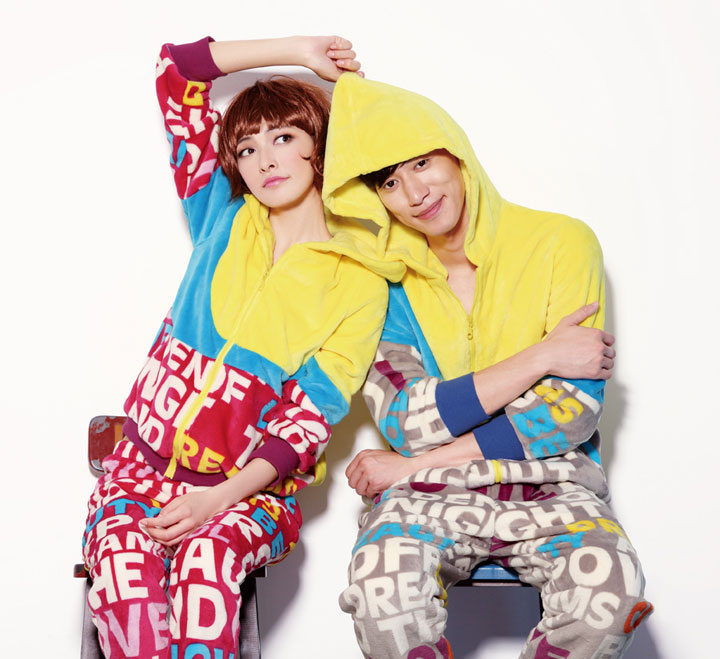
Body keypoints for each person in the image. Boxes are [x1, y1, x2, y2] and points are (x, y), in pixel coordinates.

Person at [81, 36, 393, 659]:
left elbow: (308, 420)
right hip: (137, 473)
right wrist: (299, 50)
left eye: (284, 137)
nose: (265, 160)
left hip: (248, 496)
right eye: (247, 147)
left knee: (204, 566)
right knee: (122, 582)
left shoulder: (359, 282)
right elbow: (176, 73)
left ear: (319, 147)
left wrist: (215, 501)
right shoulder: (219, 214)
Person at [322, 75, 653, 658]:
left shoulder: (561, 242)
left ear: (455, 153)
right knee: (380, 594)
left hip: (555, 484)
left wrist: (416, 458)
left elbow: (569, 413)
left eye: (422, 163)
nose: (415, 192)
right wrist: (542, 355)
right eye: (389, 182)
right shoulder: (381, 284)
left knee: (611, 594)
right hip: (424, 492)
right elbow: (406, 419)